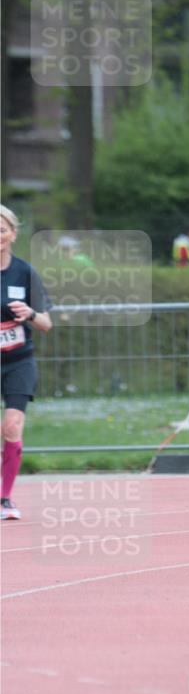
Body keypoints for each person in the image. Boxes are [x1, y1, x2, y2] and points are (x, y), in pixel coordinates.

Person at [1, 205, 53, 520]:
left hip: (18, 360)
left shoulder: (25, 272)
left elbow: (47, 323)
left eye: (2, 229)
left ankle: (5, 498)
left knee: (12, 424)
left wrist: (30, 314)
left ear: (13, 233)